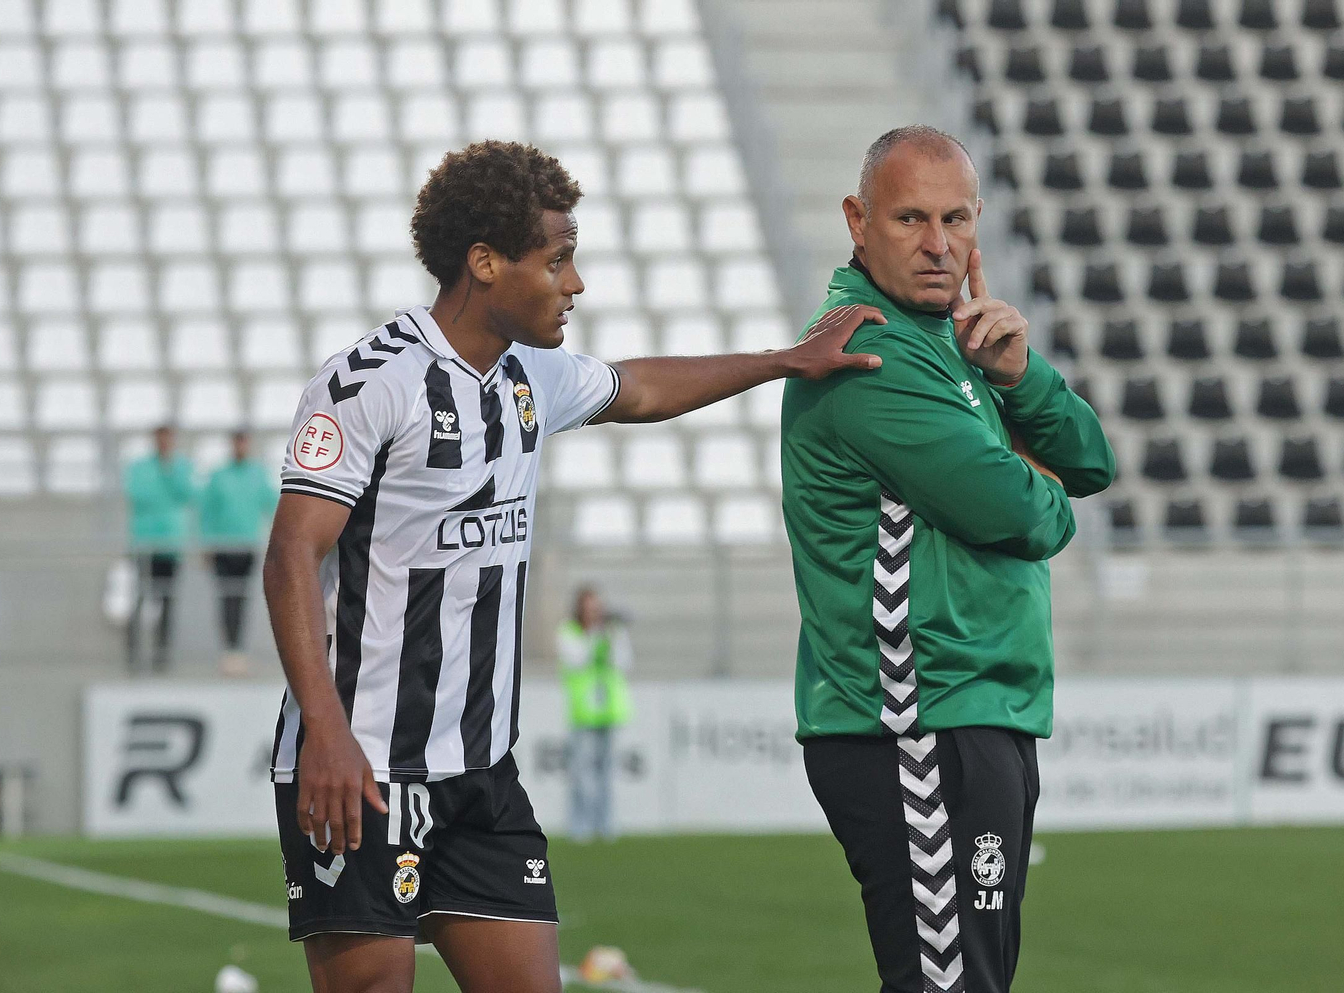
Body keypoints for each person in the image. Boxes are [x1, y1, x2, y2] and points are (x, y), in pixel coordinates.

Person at [262, 139, 881, 993]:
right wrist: (326, 733)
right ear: (485, 262)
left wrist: (784, 361)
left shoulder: (530, 379)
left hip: (479, 773)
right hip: (363, 767)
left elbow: (642, 389)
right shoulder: (370, 383)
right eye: (558, 260)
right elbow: (292, 553)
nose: (576, 284)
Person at [780, 126, 1116, 993]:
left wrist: (1017, 376)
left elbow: (1091, 463)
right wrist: (1029, 475)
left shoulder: (947, 343)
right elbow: (1031, 513)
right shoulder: (868, 352)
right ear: (858, 221)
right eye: (911, 219)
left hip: (967, 711)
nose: (939, 245)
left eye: (956, 219)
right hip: (914, 725)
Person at [198, 429, 280, 676]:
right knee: (226, 598)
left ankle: (238, 650)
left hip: (246, 545)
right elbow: (207, 512)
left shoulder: (257, 474)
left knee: (241, 599)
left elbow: (273, 505)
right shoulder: (219, 476)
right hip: (222, 545)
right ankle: (229, 649)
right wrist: (206, 544)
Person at [556, 586, 632, 842]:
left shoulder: (611, 632)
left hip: (608, 711)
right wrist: (594, 636)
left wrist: (612, 636)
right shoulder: (570, 631)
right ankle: (581, 827)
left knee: (606, 773)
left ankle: (606, 825)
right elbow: (576, 660)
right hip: (584, 713)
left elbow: (624, 662)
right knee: (582, 774)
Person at [123, 424, 194, 673]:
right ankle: (132, 653)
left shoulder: (181, 466)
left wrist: (168, 474)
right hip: (145, 543)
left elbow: (186, 494)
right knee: (139, 598)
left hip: (171, 544)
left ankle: (161, 656)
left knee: (167, 601)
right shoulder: (140, 467)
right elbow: (140, 496)